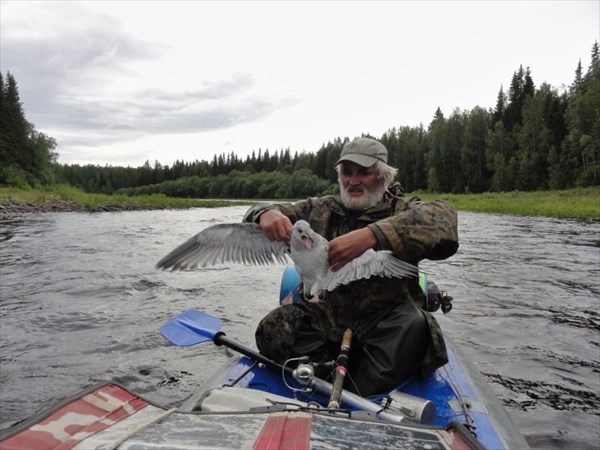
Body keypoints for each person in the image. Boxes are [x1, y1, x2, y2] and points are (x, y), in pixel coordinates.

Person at [243, 137, 459, 396]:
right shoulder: (318, 210)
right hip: (327, 321)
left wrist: (372, 235)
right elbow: (261, 213)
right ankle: (326, 375)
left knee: (414, 326)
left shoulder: (403, 208)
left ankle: (354, 391)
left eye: (363, 173)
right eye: (347, 172)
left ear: (383, 176)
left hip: (386, 323)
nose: (353, 181)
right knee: (272, 328)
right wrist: (263, 213)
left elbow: (444, 220)